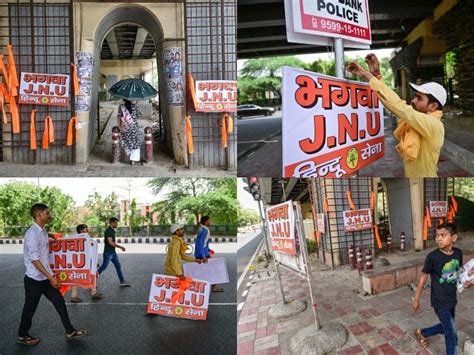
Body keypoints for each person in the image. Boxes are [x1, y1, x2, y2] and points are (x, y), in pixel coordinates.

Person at [346, 54, 447, 177]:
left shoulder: (434, 125)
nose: (413, 101)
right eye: (415, 96)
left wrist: (367, 76)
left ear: (433, 106)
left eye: (419, 98)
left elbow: (399, 107)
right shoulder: (417, 120)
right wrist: (376, 77)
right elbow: (392, 104)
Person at [17, 204, 87, 346]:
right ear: (39, 215)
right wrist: (51, 277)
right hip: (34, 279)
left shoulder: (42, 231)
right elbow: (35, 260)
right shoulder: (31, 234)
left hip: (45, 278)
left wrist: (51, 238)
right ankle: (22, 335)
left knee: (59, 302)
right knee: (30, 308)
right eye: (47, 213)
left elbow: (43, 242)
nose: (49, 215)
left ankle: (70, 331)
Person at [412, 223, 472, 354]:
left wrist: (467, 279)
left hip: (452, 299)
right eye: (437, 235)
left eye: (443, 235)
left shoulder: (458, 253)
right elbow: (423, 277)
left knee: (445, 327)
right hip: (439, 301)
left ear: (454, 237)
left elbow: (458, 272)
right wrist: (416, 299)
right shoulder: (432, 257)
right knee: (451, 334)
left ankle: (422, 332)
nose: (438, 238)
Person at [70, 224, 102, 303]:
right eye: (85, 229)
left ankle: (94, 292)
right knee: (76, 278)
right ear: (81, 230)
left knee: (92, 275)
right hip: (79, 262)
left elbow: (91, 251)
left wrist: (95, 261)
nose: (87, 230)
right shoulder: (77, 239)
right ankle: (74, 296)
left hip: (87, 261)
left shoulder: (87, 238)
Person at [97, 217, 130, 287]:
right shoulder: (108, 231)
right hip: (108, 253)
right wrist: (121, 247)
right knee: (104, 267)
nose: (117, 224)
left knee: (118, 266)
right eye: (116, 222)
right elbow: (110, 242)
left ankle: (122, 281)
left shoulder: (112, 230)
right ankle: (92, 280)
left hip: (113, 252)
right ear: (112, 223)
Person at [195, 216, 223, 292]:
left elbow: (204, 242)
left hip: (202, 252)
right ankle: (214, 287)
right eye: (209, 221)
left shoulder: (203, 229)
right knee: (211, 270)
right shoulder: (204, 230)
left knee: (205, 270)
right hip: (202, 253)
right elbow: (200, 243)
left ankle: (206, 287)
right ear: (205, 222)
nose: (210, 222)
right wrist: (203, 255)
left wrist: (208, 249)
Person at [117, 99, 141, 165]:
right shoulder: (135, 106)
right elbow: (138, 116)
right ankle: (133, 160)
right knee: (135, 143)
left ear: (123, 99)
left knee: (126, 142)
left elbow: (119, 117)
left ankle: (127, 156)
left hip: (125, 128)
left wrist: (119, 127)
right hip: (134, 128)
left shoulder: (121, 106)